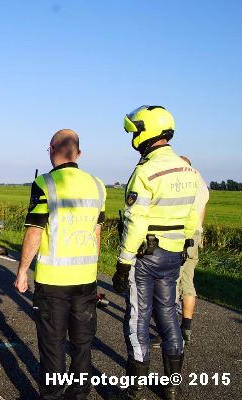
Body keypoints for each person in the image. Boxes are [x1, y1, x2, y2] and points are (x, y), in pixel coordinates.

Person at [111, 106, 199, 400]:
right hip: (174, 254)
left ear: (147, 131)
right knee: (168, 317)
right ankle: (172, 385)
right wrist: (184, 244)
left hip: (146, 256)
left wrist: (123, 263)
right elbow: (192, 218)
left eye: (136, 130)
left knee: (138, 316)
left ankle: (134, 386)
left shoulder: (145, 172)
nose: (134, 136)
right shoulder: (190, 171)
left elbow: (136, 222)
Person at [14, 129, 106, 400]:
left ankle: (53, 395)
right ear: (78, 153)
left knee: (53, 346)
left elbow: (35, 230)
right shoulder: (98, 185)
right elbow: (97, 233)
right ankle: (78, 394)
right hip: (86, 279)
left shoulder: (45, 183)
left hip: (54, 282)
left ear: (52, 149)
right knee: (82, 344)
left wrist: (21, 272)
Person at [176, 156, 209, 342]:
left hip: (181, 234)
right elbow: (201, 213)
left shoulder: (182, 181)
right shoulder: (201, 182)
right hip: (196, 234)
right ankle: (186, 327)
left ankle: (169, 330)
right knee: (188, 281)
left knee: (172, 281)